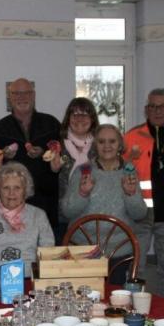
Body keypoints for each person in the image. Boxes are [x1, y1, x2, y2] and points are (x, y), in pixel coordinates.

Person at [62, 124, 147, 284]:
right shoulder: (83, 171)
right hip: (83, 249)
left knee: (114, 301)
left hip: (120, 249)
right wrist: (82, 194)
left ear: (120, 145)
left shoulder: (129, 172)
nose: (107, 146)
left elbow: (140, 214)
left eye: (112, 141)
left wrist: (131, 194)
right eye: (101, 142)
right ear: (95, 145)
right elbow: (67, 211)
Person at [123, 88, 164, 298]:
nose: (158, 111)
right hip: (140, 215)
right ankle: (133, 310)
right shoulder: (132, 136)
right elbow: (120, 170)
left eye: (163, 106)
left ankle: (163, 312)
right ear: (146, 109)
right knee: (136, 268)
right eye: (153, 106)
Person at [0, 78, 61, 231]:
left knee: (46, 247)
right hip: (11, 202)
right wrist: (4, 156)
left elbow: (64, 157)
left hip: (46, 200)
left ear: (34, 95)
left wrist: (43, 154)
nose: (22, 97)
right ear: (9, 97)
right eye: (16, 93)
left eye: (26, 93)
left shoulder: (51, 124)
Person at [0, 162, 54, 279]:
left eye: (17, 187)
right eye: (6, 188)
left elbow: (47, 253)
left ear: (25, 190)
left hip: (27, 274)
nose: (12, 193)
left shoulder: (38, 215)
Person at [58, 97, 99, 239]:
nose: (79, 118)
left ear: (92, 118)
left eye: (85, 114)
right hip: (63, 214)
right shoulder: (57, 145)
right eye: (75, 114)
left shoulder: (102, 145)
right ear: (68, 118)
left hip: (94, 211)